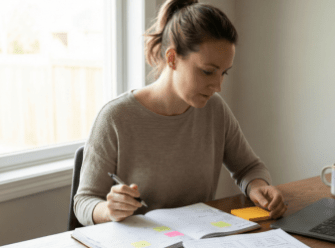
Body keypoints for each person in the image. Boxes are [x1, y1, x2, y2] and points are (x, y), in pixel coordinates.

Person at [74, 0, 287, 226]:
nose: (218, 86)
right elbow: (84, 202)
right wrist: (109, 210)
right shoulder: (115, 118)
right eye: (207, 72)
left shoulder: (215, 110)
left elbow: (249, 167)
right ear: (172, 58)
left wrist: (258, 186)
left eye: (224, 73)